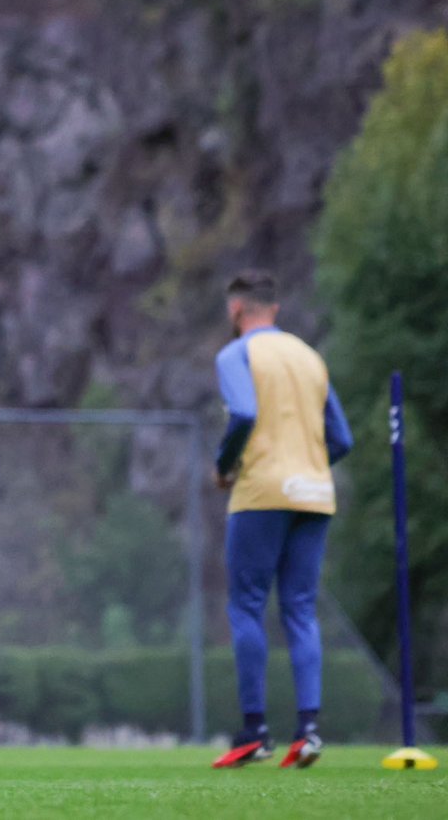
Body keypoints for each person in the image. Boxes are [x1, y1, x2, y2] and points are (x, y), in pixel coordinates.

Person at [209, 270, 353, 770]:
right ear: (275, 308)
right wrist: (308, 466)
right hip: (314, 493)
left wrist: (225, 466)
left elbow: (244, 413)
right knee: (300, 609)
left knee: (247, 607)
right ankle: (308, 732)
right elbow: (342, 438)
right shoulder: (309, 356)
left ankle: (255, 733)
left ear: (236, 311)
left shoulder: (236, 355)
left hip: (263, 492)